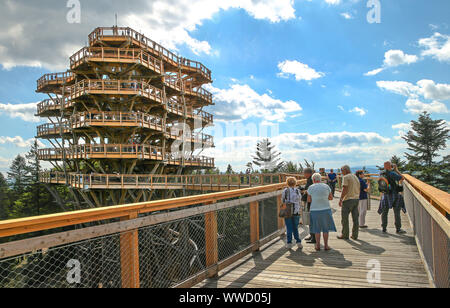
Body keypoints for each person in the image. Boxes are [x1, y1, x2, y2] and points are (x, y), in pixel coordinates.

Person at [307, 173, 337, 251]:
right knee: (325, 229)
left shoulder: (310, 187)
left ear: (313, 180)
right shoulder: (326, 186)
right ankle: (326, 246)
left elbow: (309, 200)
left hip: (314, 210)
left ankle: (317, 246)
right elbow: (331, 198)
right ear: (320, 179)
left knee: (317, 229)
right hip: (326, 209)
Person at [378, 162, 407, 234]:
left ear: (384, 166)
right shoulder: (392, 173)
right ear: (390, 166)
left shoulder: (381, 173)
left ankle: (384, 228)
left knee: (385, 212)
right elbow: (402, 178)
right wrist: (396, 170)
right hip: (394, 194)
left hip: (385, 194)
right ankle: (398, 229)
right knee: (396, 212)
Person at [337, 165, 361, 240]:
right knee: (355, 219)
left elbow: (345, 188)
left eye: (342, 171)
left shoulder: (346, 177)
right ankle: (355, 235)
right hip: (356, 199)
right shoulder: (355, 177)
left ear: (345, 170)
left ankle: (345, 234)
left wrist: (341, 199)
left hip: (348, 199)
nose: (341, 173)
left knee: (344, 218)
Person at [281, 177, 303, 250]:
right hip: (296, 211)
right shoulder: (297, 191)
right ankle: (298, 242)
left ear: (287, 183)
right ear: (295, 183)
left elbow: (283, 200)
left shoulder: (285, 191)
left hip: (288, 211)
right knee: (295, 227)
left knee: (289, 227)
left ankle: (289, 243)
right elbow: (300, 200)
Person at [302, 168, 316, 244]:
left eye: (304, 173)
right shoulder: (309, 179)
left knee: (312, 220)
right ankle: (312, 235)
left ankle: (314, 237)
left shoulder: (311, 180)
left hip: (311, 202)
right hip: (310, 201)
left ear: (308, 173)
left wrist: (304, 191)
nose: (303, 175)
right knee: (310, 219)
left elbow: (309, 191)